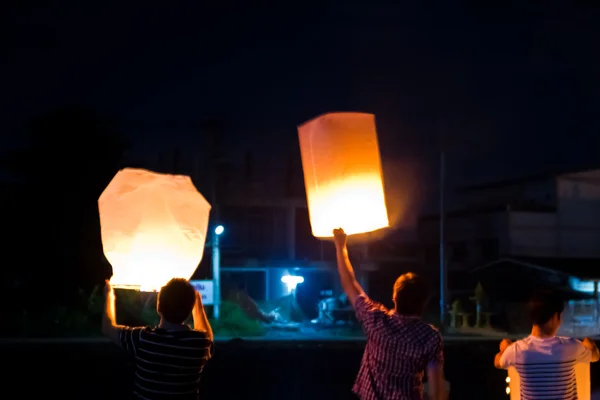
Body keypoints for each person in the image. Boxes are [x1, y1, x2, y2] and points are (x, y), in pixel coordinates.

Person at [332, 228, 445, 400]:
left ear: (394, 296)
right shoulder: (430, 337)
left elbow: (350, 284)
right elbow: (436, 392)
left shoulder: (375, 320)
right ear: (424, 303)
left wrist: (340, 247)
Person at [102, 278, 214, 399]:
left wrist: (109, 295)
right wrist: (198, 304)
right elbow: (208, 338)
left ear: (158, 306)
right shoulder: (198, 343)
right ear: (190, 309)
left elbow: (107, 328)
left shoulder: (143, 338)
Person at [494, 289, 600, 399]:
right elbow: (595, 356)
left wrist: (505, 349)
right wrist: (588, 342)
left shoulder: (517, 351)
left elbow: (497, 362)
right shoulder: (571, 347)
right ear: (555, 317)